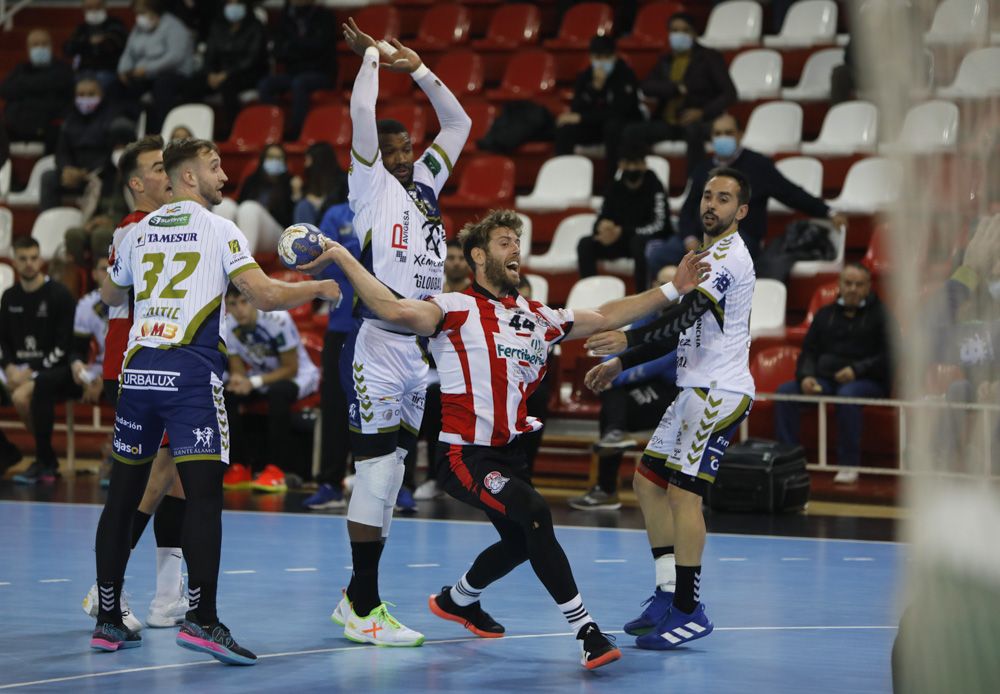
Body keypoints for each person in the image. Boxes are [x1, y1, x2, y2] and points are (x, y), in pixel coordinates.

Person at [301, 208, 709, 669]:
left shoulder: (536, 316)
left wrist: (674, 288)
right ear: (478, 256)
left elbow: (602, 315)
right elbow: (393, 308)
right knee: (535, 514)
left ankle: (457, 600)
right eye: (504, 242)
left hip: (508, 455)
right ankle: (587, 631)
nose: (516, 248)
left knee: (520, 541)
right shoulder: (455, 308)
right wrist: (340, 255)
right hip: (463, 456)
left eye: (518, 241)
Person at [91, 137, 341, 661]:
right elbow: (266, 295)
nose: (224, 175)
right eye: (214, 167)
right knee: (203, 497)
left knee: (122, 496)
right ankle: (203, 621)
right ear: (188, 179)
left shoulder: (135, 233)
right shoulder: (219, 230)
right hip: (189, 377)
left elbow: (111, 295)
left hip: (138, 374)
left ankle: (109, 619)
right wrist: (319, 289)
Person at [311, 18, 471, 647]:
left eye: (408, 150)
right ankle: (364, 605)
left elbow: (458, 124)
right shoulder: (370, 185)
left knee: (394, 473)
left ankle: (357, 599)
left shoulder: (428, 184)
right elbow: (360, 110)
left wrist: (421, 70)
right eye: (395, 149)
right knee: (375, 473)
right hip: (378, 343)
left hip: (419, 350)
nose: (404, 157)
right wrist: (374, 59)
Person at [583, 167, 756, 651]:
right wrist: (622, 361)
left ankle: (688, 608)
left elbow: (685, 316)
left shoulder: (728, 258)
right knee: (646, 482)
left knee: (683, 495)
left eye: (724, 199)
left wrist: (628, 339)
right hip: (692, 390)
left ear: (740, 211)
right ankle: (666, 593)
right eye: (707, 195)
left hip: (719, 392)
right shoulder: (701, 256)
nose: (712, 205)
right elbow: (680, 329)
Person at [80, 134, 186, 633]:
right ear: (137, 183)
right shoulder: (133, 229)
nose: (170, 174)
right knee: (157, 472)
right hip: (136, 365)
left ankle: (167, 597)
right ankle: (108, 587)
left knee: (180, 474)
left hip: (169, 364)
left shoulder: (166, 222)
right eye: (160, 167)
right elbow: (113, 294)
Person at [569, 266, 681, 511]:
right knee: (613, 406)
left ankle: (606, 489)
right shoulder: (647, 315)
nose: (669, 292)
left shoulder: (683, 319)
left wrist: (616, 373)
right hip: (640, 388)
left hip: (672, 393)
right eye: (662, 284)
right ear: (654, 285)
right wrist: (611, 368)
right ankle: (614, 439)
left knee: (613, 403)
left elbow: (658, 362)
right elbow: (615, 350)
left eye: (674, 285)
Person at [774, 263, 895, 484]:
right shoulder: (824, 314)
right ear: (839, 285)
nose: (852, 289)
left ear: (868, 287)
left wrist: (857, 370)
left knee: (847, 395)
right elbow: (808, 352)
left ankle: (848, 464)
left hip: (867, 381)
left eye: (858, 284)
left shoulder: (882, 316)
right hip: (826, 379)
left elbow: (889, 357)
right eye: (848, 283)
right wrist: (806, 376)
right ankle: (787, 460)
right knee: (785, 393)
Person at [676, 113, 848, 260]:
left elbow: (791, 193)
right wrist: (689, 238)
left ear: (740, 135)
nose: (723, 138)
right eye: (718, 133)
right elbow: (688, 208)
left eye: (728, 133)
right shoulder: (703, 169)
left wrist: (828, 211)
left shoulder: (758, 165)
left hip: (742, 238)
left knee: (719, 257)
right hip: (702, 236)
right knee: (660, 254)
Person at [222, 285, 321, 492]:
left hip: (299, 375)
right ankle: (239, 466)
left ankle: (277, 470)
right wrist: (238, 380)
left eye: (244, 302)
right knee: (227, 394)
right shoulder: (228, 325)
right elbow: (237, 367)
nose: (239, 309)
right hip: (262, 375)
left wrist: (254, 383)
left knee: (278, 393)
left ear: (253, 302)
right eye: (233, 304)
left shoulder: (278, 320)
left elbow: (290, 369)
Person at [1, 237, 80, 485]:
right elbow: (3, 342)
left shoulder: (59, 295)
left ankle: (45, 459)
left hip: (58, 370)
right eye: (23, 259)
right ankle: (6, 454)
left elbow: (64, 345)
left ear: (41, 260)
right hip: (18, 370)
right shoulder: (9, 297)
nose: (29, 264)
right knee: (18, 392)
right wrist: (9, 366)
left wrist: (31, 372)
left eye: (34, 258)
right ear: (14, 261)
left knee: (22, 396)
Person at [621, 12, 736, 169]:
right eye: (675, 30)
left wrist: (702, 112)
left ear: (694, 33)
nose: (679, 35)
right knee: (631, 131)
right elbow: (646, 86)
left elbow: (730, 93)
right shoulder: (666, 59)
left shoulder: (709, 57)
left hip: (699, 121)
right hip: (668, 121)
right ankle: (637, 179)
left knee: (693, 131)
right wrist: (674, 88)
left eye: (685, 30)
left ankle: (695, 184)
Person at [301, 202, 360, 511]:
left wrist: (344, 253)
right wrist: (360, 255)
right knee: (336, 405)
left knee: (390, 405)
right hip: (342, 325)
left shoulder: (392, 208)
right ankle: (330, 483)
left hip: (385, 323)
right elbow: (320, 265)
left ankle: (400, 485)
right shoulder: (336, 214)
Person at [413, 238, 471, 502]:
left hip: (462, 367)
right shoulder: (432, 292)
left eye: (461, 258)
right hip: (428, 366)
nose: (456, 262)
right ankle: (415, 478)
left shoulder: (475, 296)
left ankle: (443, 477)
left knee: (439, 397)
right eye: (452, 257)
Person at [577, 140, 673, 290]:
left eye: (636, 163)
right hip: (621, 240)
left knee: (638, 243)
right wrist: (602, 228)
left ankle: (641, 298)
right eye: (627, 164)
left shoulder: (655, 186)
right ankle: (591, 293)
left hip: (649, 240)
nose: (632, 168)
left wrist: (623, 232)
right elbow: (602, 216)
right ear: (620, 165)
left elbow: (661, 226)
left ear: (644, 164)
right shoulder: (613, 187)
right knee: (585, 244)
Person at [554, 34, 641, 174]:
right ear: (590, 58)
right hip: (594, 126)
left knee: (612, 126)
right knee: (565, 129)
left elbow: (621, 111)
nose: (601, 62)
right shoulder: (585, 77)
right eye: (597, 57)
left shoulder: (625, 75)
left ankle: (612, 180)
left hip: (622, 126)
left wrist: (583, 118)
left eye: (605, 57)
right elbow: (577, 108)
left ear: (614, 56)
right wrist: (594, 89)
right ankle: (564, 177)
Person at [257, 0, 338, 140]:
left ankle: (296, 132)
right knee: (266, 84)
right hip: (294, 71)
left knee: (300, 83)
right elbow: (278, 49)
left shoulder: (324, 16)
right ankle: (274, 127)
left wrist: (294, 46)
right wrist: (299, 47)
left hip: (320, 72)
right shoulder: (287, 17)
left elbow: (319, 46)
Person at [114, 0, 194, 134]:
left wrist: (147, 69)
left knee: (162, 85)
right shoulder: (138, 28)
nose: (139, 16)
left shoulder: (174, 27)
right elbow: (128, 52)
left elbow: (175, 57)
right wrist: (123, 70)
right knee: (118, 86)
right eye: (137, 13)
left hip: (174, 73)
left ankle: (161, 130)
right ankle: (126, 128)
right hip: (145, 75)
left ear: (155, 10)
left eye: (142, 12)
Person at [189, 0, 266, 138]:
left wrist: (227, 73)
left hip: (246, 73)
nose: (233, 7)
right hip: (218, 73)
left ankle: (232, 131)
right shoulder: (217, 26)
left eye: (237, 3)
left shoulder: (255, 26)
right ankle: (194, 129)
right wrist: (210, 74)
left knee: (228, 85)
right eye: (229, 3)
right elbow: (210, 55)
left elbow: (253, 58)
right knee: (193, 84)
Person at [40, 77, 118, 211]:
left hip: (102, 175)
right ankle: (49, 220)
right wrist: (66, 168)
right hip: (74, 174)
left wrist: (86, 172)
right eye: (81, 95)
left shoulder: (112, 119)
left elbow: (114, 154)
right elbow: (62, 152)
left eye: (91, 94)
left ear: (101, 95)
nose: (85, 99)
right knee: (48, 178)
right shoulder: (70, 120)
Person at [0, 29, 75, 152]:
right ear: (28, 48)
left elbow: (56, 85)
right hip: (18, 124)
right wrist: (38, 86)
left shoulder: (63, 69)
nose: (40, 48)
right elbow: (5, 90)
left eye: (44, 44)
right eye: (35, 45)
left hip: (49, 126)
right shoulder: (21, 68)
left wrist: (24, 85)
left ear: (51, 46)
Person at [235, 144, 294, 253]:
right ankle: (218, 259)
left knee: (249, 208)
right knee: (225, 205)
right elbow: (239, 204)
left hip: (277, 232)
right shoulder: (252, 180)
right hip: (247, 226)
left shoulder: (290, 183)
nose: (274, 161)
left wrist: (296, 195)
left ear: (284, 161)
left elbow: (290, 219)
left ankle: (243, 263)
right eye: (270, 157)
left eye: (278, 158)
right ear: (263, 159)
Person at [65, 0, 129, 91]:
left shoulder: (115, 24)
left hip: (109, 69)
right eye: (89, 8)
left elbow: (117, 45)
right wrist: (88, 42)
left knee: (99, 84)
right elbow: (68, 49)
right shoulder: (81, 28)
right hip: (85, 70)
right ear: (83, 9)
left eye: (97, 7)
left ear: (105, 6)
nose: (94, 10)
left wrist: (102, 42)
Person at [292, 142, 348, 226]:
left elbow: (344, 210)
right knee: (303, 206)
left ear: (318, 161)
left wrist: (320, 205)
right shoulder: (307, 182)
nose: (305, 165)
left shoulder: (343, 181)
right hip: (314, 229)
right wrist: (296, 195)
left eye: (308, 160)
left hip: (337, 228)